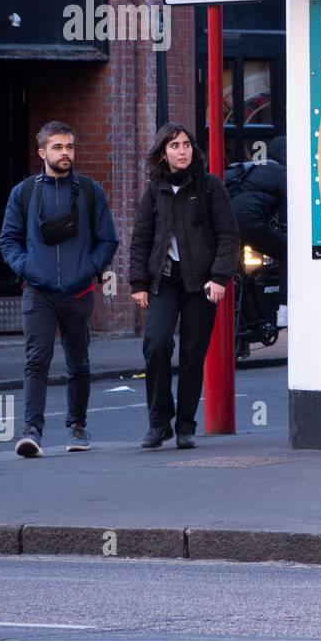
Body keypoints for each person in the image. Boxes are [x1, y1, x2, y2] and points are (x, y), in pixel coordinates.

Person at [0, 121, 118, 458]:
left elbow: (107, 239)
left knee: (79, 362)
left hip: (78, 292)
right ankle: (32, 431)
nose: (65, 153)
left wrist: (89, 269)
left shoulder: (91, 191)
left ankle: (77, 427)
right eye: (57, 147)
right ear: (42, 152)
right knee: (37, 361)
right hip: (38, 292)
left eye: (69, 147)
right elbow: (7, 240)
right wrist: (27, 268)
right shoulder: (23, 193)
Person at [129, 123, 240, 450]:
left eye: (186, 145)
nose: (182, 151)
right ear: (163, 153)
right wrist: (138, 282)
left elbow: (228, 236)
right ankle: (158, 422)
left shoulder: (209, 187)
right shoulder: (155, 190)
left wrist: (220, 277)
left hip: (201, 283)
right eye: (175, 146)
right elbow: (141, 239)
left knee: (193, 354)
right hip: (164, 280)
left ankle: (186, 426)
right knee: (157, 344)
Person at [225, 136, 287, 262]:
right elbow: (292, 204)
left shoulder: (252, 166)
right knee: (289, 250)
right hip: (247, 223)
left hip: (225, 222)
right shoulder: (281, 172)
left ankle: (241, 280)